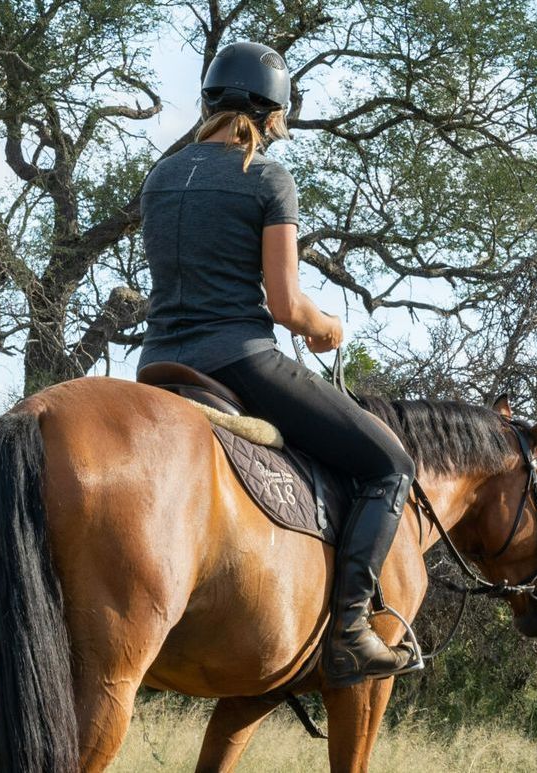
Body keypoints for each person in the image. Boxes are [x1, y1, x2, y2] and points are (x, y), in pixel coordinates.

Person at [138, 41, 421, 687]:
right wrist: (328, 326)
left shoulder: (161, 175)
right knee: (390, 466)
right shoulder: (266, 178)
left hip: (157, 362)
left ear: (210, 100)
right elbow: (288, 304)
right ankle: (350, 630)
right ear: (271, 114)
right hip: (239, 362)